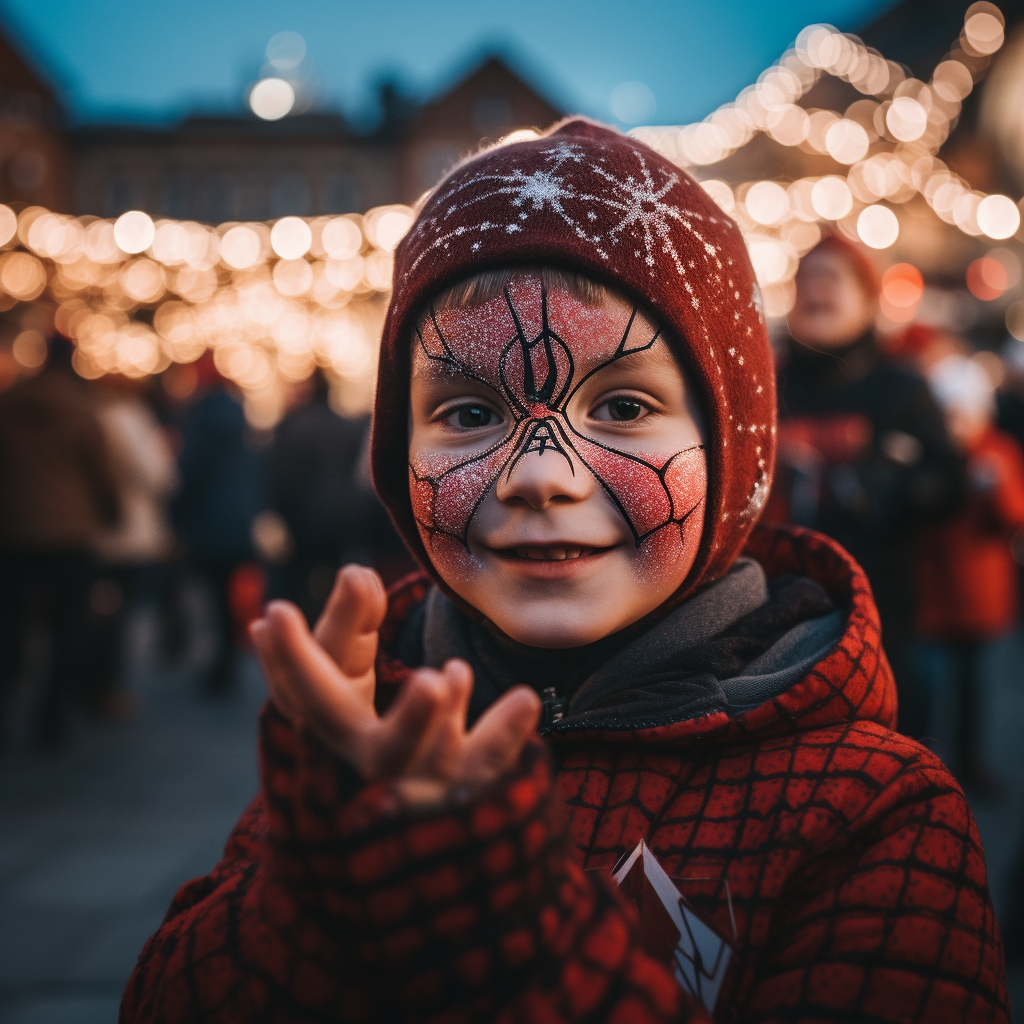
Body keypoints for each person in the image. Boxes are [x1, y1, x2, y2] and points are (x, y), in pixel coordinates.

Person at [121, 121, 1008, 1022]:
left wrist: (493, 932)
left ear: (731, 448)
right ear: (398, 454)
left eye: (623, 406)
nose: (541, 475)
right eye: (467, 413)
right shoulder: (364, 740)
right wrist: (314, 889)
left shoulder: (871, 812)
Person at [770, 236, 963, 739]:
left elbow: (951, 484)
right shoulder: (766, 383)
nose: (817, 290)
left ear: (868, 299)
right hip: (776, 612)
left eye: (834, 278)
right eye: (807, 279)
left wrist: (897, 485)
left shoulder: (902, 388)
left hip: (883, 613)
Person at [0, 337, 119, 746]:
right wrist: (109, 514)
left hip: (13, 533)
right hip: (70, 534)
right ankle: (51, 720)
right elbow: (102, 474)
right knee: (67, 628)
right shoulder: (82, 410)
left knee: (9, 626)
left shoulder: (8, 402)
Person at [916, 354, 1024, 792]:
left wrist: (995, 486)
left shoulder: (999, 451)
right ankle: (927, 770)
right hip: (934, 597)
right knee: (931, 693)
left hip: (983, 598)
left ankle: (971, 763)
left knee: (977, 693)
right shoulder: (930, 455)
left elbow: (1015, 516)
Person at [86, 373, 179, 718]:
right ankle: (106, 688)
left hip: (96, 529)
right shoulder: (129, 419)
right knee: (116, 614)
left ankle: (95, 684)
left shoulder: (92, 414)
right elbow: (156, 474)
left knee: (99, 609)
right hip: (126, 531)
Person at [173, 353, 265, 693]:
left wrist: (179, 516)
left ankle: (218, 667)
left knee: (212, 598)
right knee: (228, 597)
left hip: (208, 522)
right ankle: (227, 662)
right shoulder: (239, 416)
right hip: (237, 520)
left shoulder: (198, 419)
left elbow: (190, 474)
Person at [268, 370, 379, 623]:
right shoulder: (347, 426)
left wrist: (279, 515)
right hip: (346, 514)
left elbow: (281, 481)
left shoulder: (293, 427)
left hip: (305, 518)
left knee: (302, 583)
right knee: (338, 579)